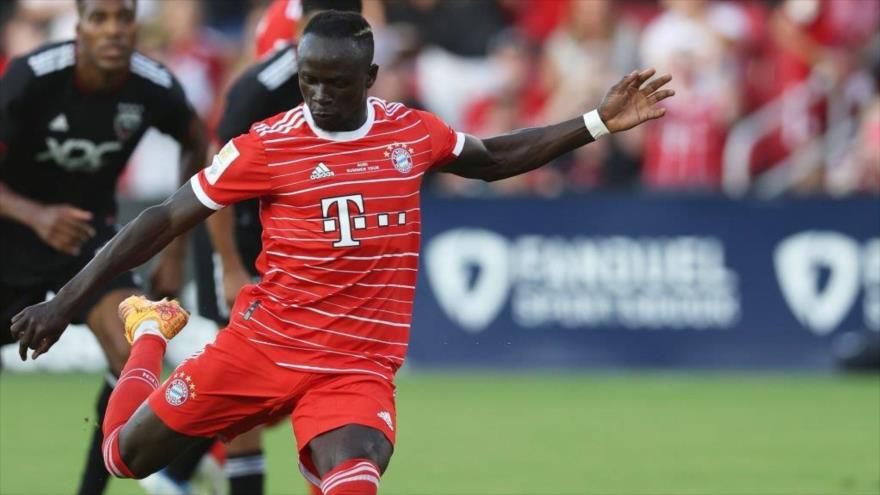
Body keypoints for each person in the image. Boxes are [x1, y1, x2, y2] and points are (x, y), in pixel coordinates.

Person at [10, 11, 673, 494]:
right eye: (309, 81)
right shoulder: (267, 143)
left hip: (353, 366)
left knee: (352, 483)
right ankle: (150, 331)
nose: (320, 96)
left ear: (371, 76)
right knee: (125, 457)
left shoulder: (411, 132)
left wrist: (596, 122)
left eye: (336, 82)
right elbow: (161, 216)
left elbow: (496, 158)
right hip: (259, 347)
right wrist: (66, 302)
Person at [0, 0, 205, 494]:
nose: (113, 30)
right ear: (79, 27)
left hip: (88, 241)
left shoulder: (153, 84)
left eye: (123, 18)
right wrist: (36, 214)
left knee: (129, 346)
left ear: (137, 24)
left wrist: (175, 251)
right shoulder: (34, 76)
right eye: (100, 19)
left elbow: (197, 141)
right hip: (9, 237)